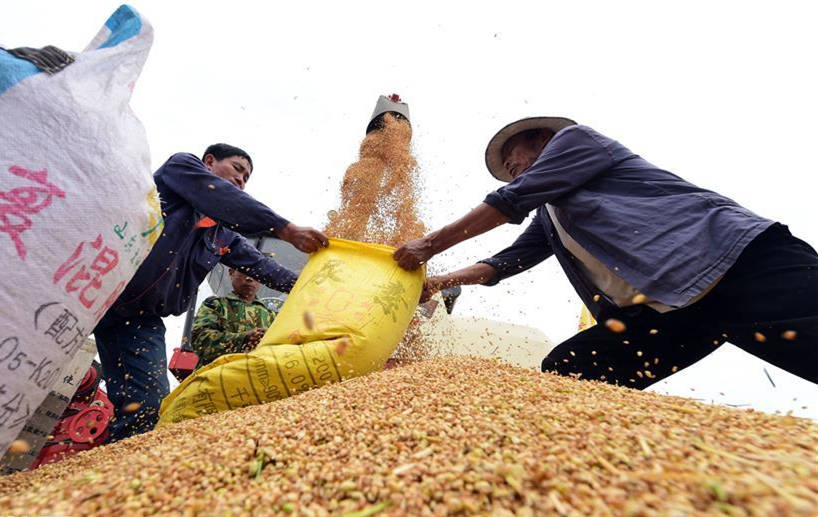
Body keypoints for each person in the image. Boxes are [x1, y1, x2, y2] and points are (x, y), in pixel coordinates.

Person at [394, 117, 818, 389]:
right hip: (672, 311)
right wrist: (439, 282)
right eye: (508, 169)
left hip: (735, 261)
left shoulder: (578, 142)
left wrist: (429, 245)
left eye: (514, 159)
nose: (513, 170)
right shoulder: (552, 214)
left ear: (542, 138)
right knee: (573, 369)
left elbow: (512, 198)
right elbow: (508, 261)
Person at [94, 143, 328, 441]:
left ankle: (114, 475)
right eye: (237, 169)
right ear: (209, 161)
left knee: (147, 410)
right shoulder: (180, 170)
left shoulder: (222, 235)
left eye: (247, 178)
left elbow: (265, 268)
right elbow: (218, 195)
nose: (242, 180)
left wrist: (318, 287)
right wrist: (284, 229)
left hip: (138, 320)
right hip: (95, 289)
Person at [191, 268, 276, 368]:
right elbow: (200, 341)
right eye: (243, 272)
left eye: (255, 273)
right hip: (217, 377)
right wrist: (243, 339)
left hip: (257, 378)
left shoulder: (272, 317)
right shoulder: (216, 305)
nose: (249, 278)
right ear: (231, 273)